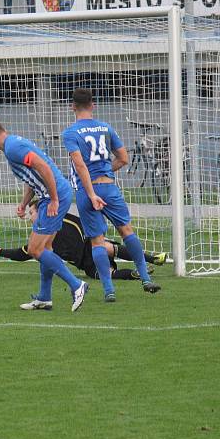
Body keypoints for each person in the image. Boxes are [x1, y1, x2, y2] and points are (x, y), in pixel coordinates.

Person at [62, 88, 160, 302]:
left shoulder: (70, 133)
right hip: (109, 187)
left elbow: (80, 166)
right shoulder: (106, 128)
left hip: (87, 193)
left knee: (97, 242)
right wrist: (106, 172)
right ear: (92, 105)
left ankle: (109, 291)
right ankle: (145, 278)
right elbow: (123, 158)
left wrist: (90, 192)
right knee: (126, 230)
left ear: (73, 107)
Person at [0, 117, 88, 312]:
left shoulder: (12, 147)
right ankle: (45, 298)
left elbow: (44, 168)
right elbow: (32, 177)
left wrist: (54, 199)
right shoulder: (13, 144)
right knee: (46, 248)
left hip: (54, 196)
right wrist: (23, 204)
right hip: (53, 194)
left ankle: (76, 285)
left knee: (35, 249)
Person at [0, 204, 167, 279]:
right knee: (108, 257)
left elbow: (25, 253)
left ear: (42, 211)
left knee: (108, 255)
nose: (30, 217)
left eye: (32, 213)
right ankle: (141, 268)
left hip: (86, 253)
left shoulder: (55, 222)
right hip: (87, 254)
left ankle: (149, 261)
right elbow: (24, 253)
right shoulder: (51, 225)